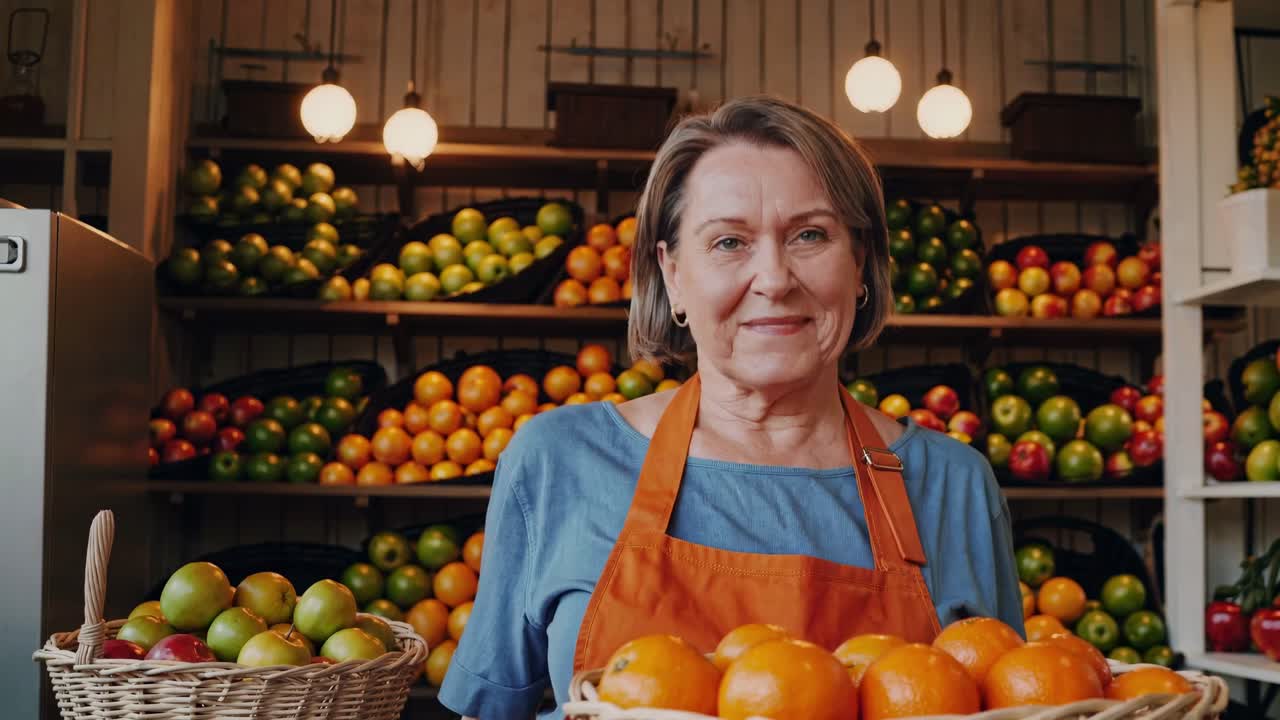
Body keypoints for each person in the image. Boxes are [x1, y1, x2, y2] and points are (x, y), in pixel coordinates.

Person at [439, 95, 1023, 720]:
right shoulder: (558, 462)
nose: (773, 278)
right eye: (728, 242)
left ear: (860, 265)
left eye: (810, 235)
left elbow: (1012, 698)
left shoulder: (953, 485)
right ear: (673, 275)